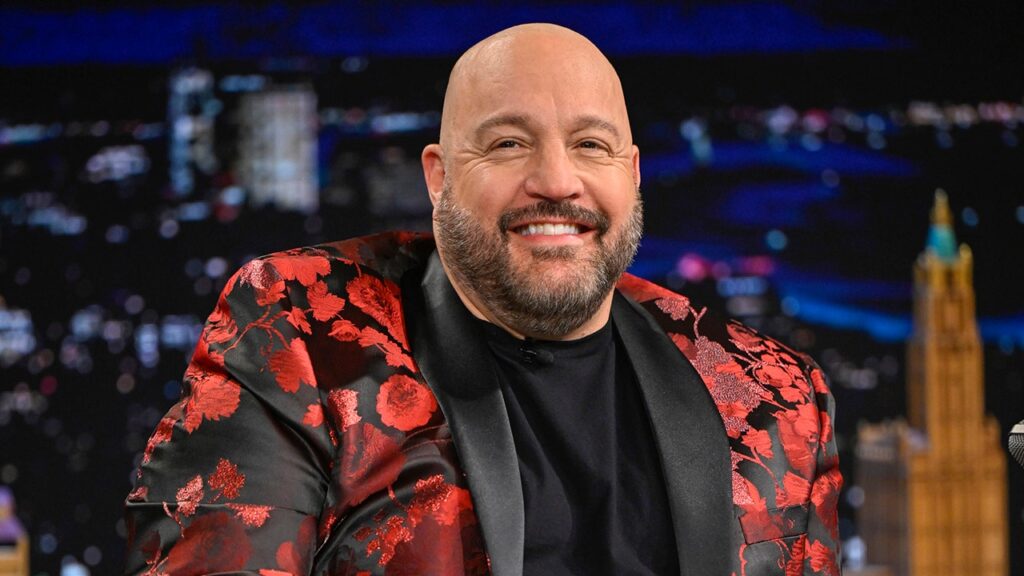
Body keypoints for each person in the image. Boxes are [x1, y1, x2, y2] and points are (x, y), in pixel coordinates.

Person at [125, 23, 841, 576]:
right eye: (507, 144)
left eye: (590, 146)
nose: (556, 181)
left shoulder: (774, 393)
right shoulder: (303, 330)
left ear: (632, 174)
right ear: (439, 178)